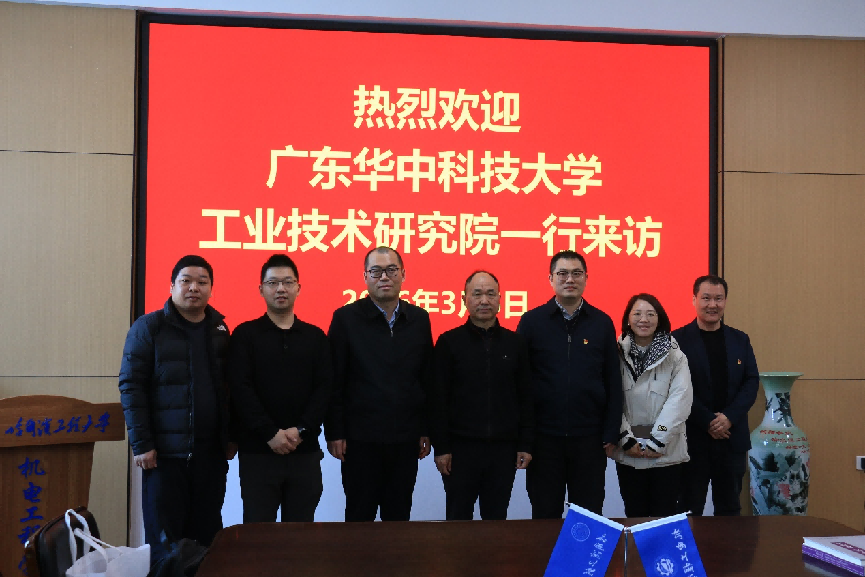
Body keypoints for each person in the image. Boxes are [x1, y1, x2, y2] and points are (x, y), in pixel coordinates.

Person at [118, 255, 234, 565]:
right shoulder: (149, 327)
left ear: (211, 288)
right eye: (186, 281)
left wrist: (230, 438)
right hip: (165, 457)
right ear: (172, 286)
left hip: (210, 457)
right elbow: (131, 386)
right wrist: (142, 444)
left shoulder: (219, 330)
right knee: (166, 543)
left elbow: (228, 390)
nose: (194, 287)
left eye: (202, 282)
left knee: (207, 540)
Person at [325, 246, 433, 521]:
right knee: (359, 517)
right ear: (365, 277)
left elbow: (425, 378)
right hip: (360, 439)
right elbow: (334, 380)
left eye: (391, 270)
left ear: (403, 274)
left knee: (398, 517)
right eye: (376, 271)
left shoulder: (419, 319)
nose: (384, 277)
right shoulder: (345, 319)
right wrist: (335, 432)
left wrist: (425, 428)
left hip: (405, 438)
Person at [516, 250, 623, 517]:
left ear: (586, 278)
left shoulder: (601, 323)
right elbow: (520, 383)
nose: (569, 279)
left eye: (576, 273)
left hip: (590, 439)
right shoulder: (532, 321)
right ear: (550, 278)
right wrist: (524, 437)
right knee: (544, 514)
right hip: (544, 439)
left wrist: (611, 432)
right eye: (562, 274)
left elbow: (613, 380)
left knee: (588, 515)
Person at [228, 254, 332, 523]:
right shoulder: (245, 335)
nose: (281, 289)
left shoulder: (315, 337)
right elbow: (240, 389)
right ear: (261, 289)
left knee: (300, 534)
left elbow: (324, 389)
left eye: (287, 282)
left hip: (304, 452)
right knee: (258, 534)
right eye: (273, 283)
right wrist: (269, 433)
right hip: (258, 452)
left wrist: (301, 430)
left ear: (298, 288)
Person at [431, 270, 534, 520]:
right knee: (458, 520)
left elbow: (526, 396)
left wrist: (525, 444)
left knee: (496, 520)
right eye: (477, 294)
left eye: (490, 294)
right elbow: (437, 399)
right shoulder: (448, 342)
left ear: (500, 299)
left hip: (503, 449)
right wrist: (441, 447)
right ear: (464, 299)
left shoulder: (516, 344)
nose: (484, 301)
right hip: (460, 450)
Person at [672, 274, 759, 516]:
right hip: (693, 439)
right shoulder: (677, 340)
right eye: (706, 298)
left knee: (730, 510)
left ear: (725, 301)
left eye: (718, 299)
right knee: (689, 510)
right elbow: (676, 388)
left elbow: (751, 382)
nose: (713, 305)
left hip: (732, 438)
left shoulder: (740, 339)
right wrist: (708, 420)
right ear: (694, 300)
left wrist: (728, 417)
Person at [613, 293, 693, 517]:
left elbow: (680, 399)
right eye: (637, 314)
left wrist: (658, 440)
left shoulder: (676, 356)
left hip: (666, 453)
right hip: (629, 451)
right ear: (628, 319)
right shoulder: (614, 353)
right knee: (634, 516)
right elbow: (611, 399)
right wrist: (625, 438)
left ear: (660, 319)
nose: (644, 319)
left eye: (650, 314)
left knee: (664, 517)